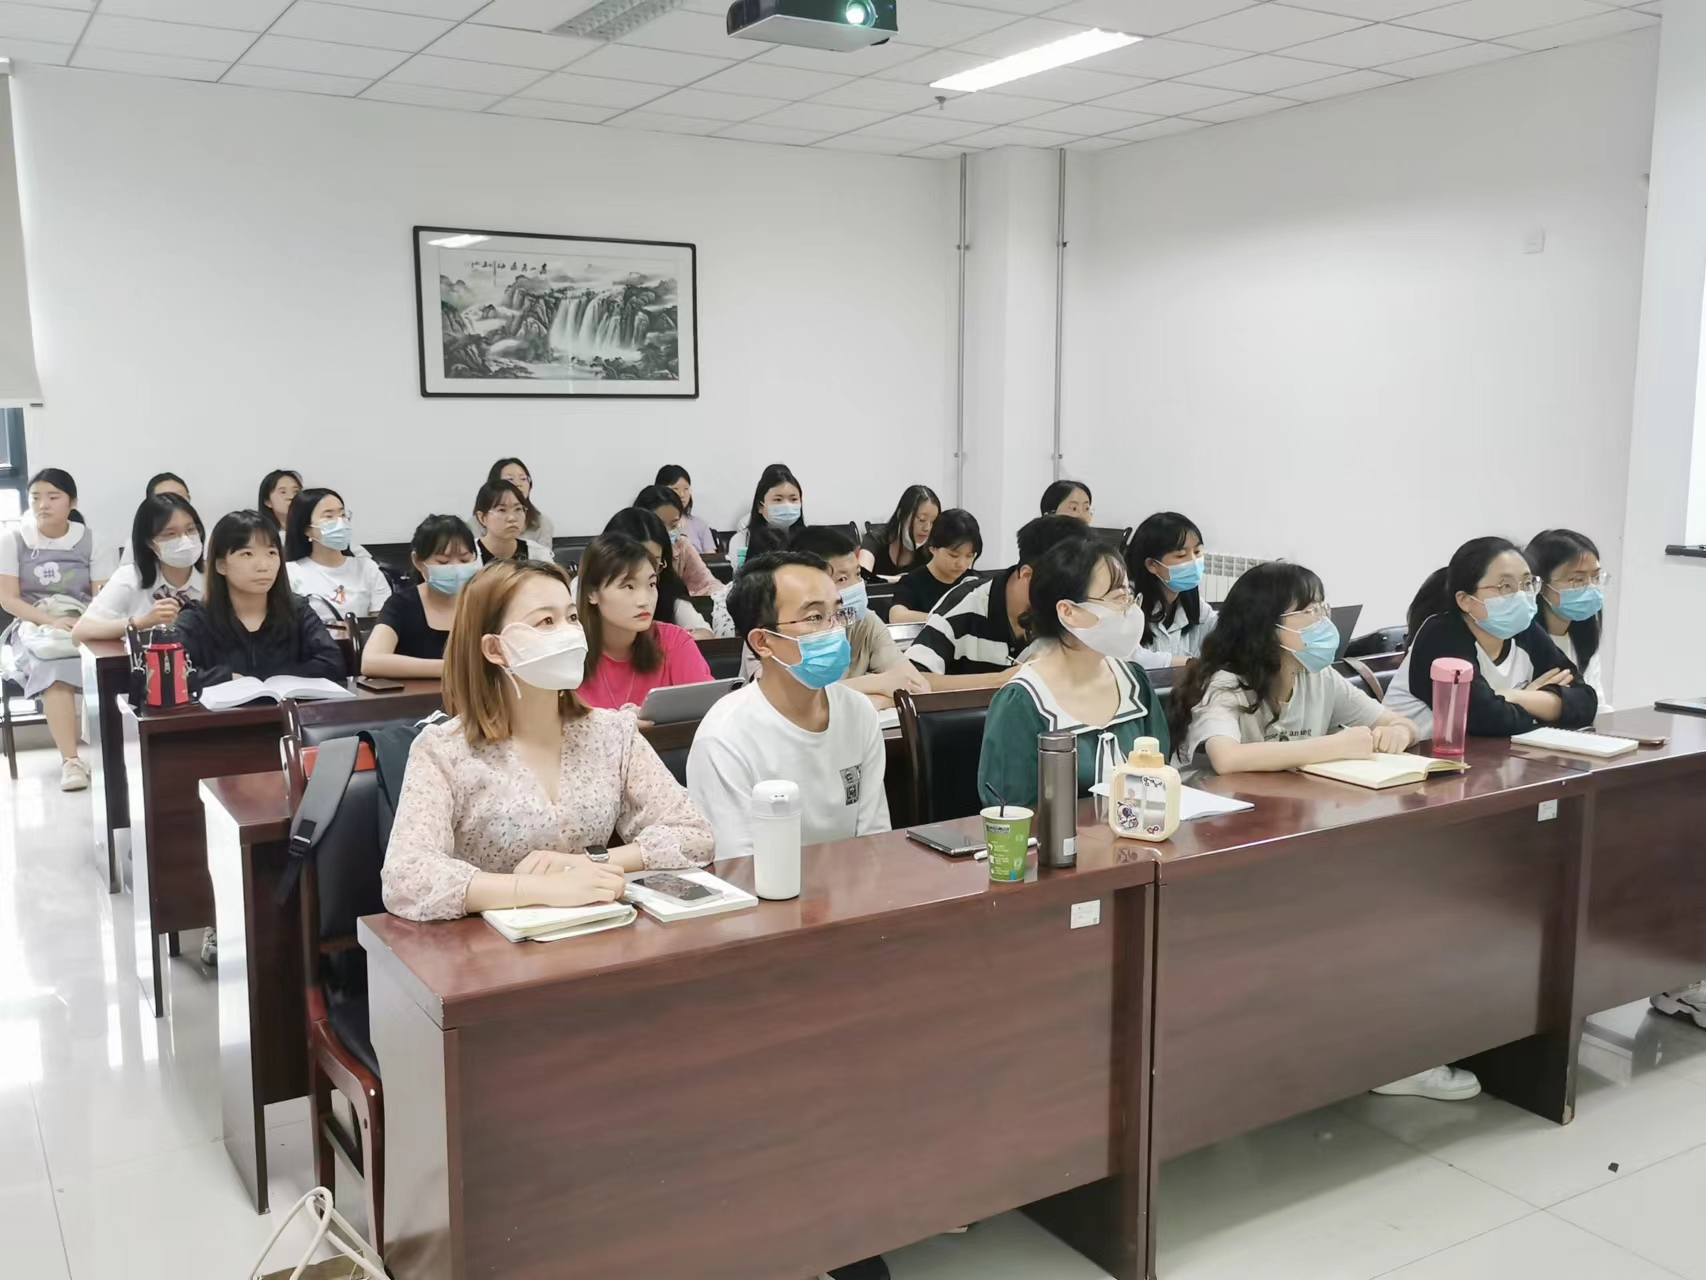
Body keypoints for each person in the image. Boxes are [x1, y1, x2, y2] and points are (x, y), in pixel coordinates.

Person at [379, 559, 712, 922]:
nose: (569, 633)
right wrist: (535, 890)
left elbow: (694, 834)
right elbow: (406, 877)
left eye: (572, 617)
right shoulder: (443, 750)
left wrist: (588, 863)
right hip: (489, 943)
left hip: (598, 929)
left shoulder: (614, 733)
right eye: (546, 622)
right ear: (495, 649)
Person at [687, 550, 889, 858]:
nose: (835, 629)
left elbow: (875, 842)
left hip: (856, 884)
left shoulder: (859, 713)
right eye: (814, 617)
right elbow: (738, 868)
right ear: (762, 642)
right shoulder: (724, 738)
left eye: (838, 613)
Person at [1167, 561, 1417, 776]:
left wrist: (1400, 732)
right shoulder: (1226, 684)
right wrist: (1336, 746)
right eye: (1311, 611)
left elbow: (1397, 722)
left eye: (1323, 608)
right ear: (1267, 626)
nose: (1323, 621)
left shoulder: (1319, 676)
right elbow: (1227, 759)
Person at [978, 537, 1168, 809]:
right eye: (1118, 599)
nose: (1130, 610)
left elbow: (1160, 781)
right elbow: (1011, 813)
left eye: (1129, 596)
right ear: (1068, 611)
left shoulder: (1134, 683)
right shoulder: (1023, 701)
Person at [1384, 536, 1598, 738]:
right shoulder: (1440, 636)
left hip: (1486, 757)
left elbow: (1585, 701)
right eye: (1505, 587)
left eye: (1527, 584)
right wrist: (1542, 707)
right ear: (1465, 600)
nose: (1520, 596)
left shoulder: (1524, 631)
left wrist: (1514, 696)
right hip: (1414, 756)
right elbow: (1485, 719)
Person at [0, 469, 99, 790]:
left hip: (83, 621)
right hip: (33, 626)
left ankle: (117, 753)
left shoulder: (91, 540)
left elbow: (101, 596)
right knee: (53, 668)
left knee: (107, 660)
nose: (43, 504)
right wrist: (50, 622)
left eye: (53, 497)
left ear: (72, 502)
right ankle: (71, 762)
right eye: (35, 497)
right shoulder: (13, 540)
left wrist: (83, 624)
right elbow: (8, 599)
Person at [904, 514, 1085, 690]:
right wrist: (1002, 680)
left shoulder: (1071, 612)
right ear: (1027, 575)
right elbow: (911, 680)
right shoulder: (964, 604)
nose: (1067, 601)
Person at [175, 510, 346, 687]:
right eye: (247, 554)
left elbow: (333, 664)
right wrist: (225, 678)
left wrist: (275, 679)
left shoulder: (298, 611)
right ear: (221, 565)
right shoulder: (197, 618)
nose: (264, 566)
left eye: (271, 553)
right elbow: (171, 674)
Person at [790, 525, 931, 706]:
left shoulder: (865, 621)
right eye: (842, 579)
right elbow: (800, 703)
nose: (856, 585)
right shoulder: (788, 631)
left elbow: (918, 687)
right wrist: (879, 683)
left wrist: (864, 699)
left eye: (857, 574)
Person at [576, 533, 713, 714]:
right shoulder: (569, 653)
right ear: (592, 593)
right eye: (628, 586)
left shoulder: (673, 641)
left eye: (651, 584)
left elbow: (709, 711)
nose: (644, 601)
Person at [73, 493, 206, 642]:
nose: (185, 540)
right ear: (150, 542)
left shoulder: (213, 577)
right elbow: (81, 631)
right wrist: (142, 622)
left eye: (191, 530)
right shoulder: (131, 577)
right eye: (171, 534)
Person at [361, 515, 478, 678]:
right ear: (418, 561)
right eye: (443, 562)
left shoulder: (486, 602)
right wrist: (452, 669)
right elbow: (371, 662)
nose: (456, 568)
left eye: (464, 560)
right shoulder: (402, 605)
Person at [1525, 528, 1609, 708]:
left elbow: (1597, 706)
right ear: (1540, 585)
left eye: (1596, 577)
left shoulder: (1584, 639)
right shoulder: (1522, 642)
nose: (1591, 588)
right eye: (1577, 580)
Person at [284, 488, 392, 624]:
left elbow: (383, 624)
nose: (340, 523)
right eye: (329, 516)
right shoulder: (291, 573)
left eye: (342, 515)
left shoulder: (367, 568)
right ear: (307, 529)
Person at [603, 507, 711, 638]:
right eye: (637, 562)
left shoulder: (667, 589)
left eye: (654, 562)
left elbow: (705, 633)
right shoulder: (593, 591)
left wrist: (684, 639)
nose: (646, 569)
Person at [1129, 511, 1216, 670]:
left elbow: (1220, 634)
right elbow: (1130, 656)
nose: (1194, 562)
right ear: (1152, 565)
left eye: (1197, 552)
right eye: (1181, 555)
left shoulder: (1193, 602)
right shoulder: (1128, 601)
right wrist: (1189, 663)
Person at [889, 508, 981, 623]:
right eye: (954, 555)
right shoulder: (913, 582)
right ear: (932, 547)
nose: (962, 564)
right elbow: (897, 617)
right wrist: (946, 619)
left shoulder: (973, 581)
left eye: (969, 556)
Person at [634, 483, 720, 597]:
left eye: (674, 525)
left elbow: (710, 584)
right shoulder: (627, 548)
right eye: (660, 525)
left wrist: (683, 599)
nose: (667, 531)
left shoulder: (681, 545)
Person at [858, 484, 940, 579]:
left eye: (933, 522)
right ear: (901, 515)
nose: (927, 528)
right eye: (922, 520)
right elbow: (861, 577)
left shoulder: (931, 552)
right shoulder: (875, 540)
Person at [733, 463, 802, 567]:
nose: (787, 505)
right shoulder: (742, 540)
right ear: (760, 506)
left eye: (793, 499)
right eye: (778, 500)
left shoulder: (810, 538)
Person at [472, 479, 552, 565]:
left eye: (518, 509)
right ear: (482, 518)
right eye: (502, 510)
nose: (512, 518)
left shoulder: (538, 555)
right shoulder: (468, 556)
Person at [487, 457, 556, 546]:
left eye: (523, 478)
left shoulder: (542, 523)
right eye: (510, 479)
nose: (518, 484)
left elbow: (544, 555)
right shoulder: (479, 522)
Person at [656, 464, 717, 554]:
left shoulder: (700, 525)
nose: (682, 494)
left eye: (686, 489)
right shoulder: (652, 524)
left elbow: (712, 559)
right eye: (676, 488)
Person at [257, 469, 302, 533]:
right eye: (283, 492)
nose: (291, 497)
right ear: (268, 501)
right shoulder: (263, 535)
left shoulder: (312, 531)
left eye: (296, 491)